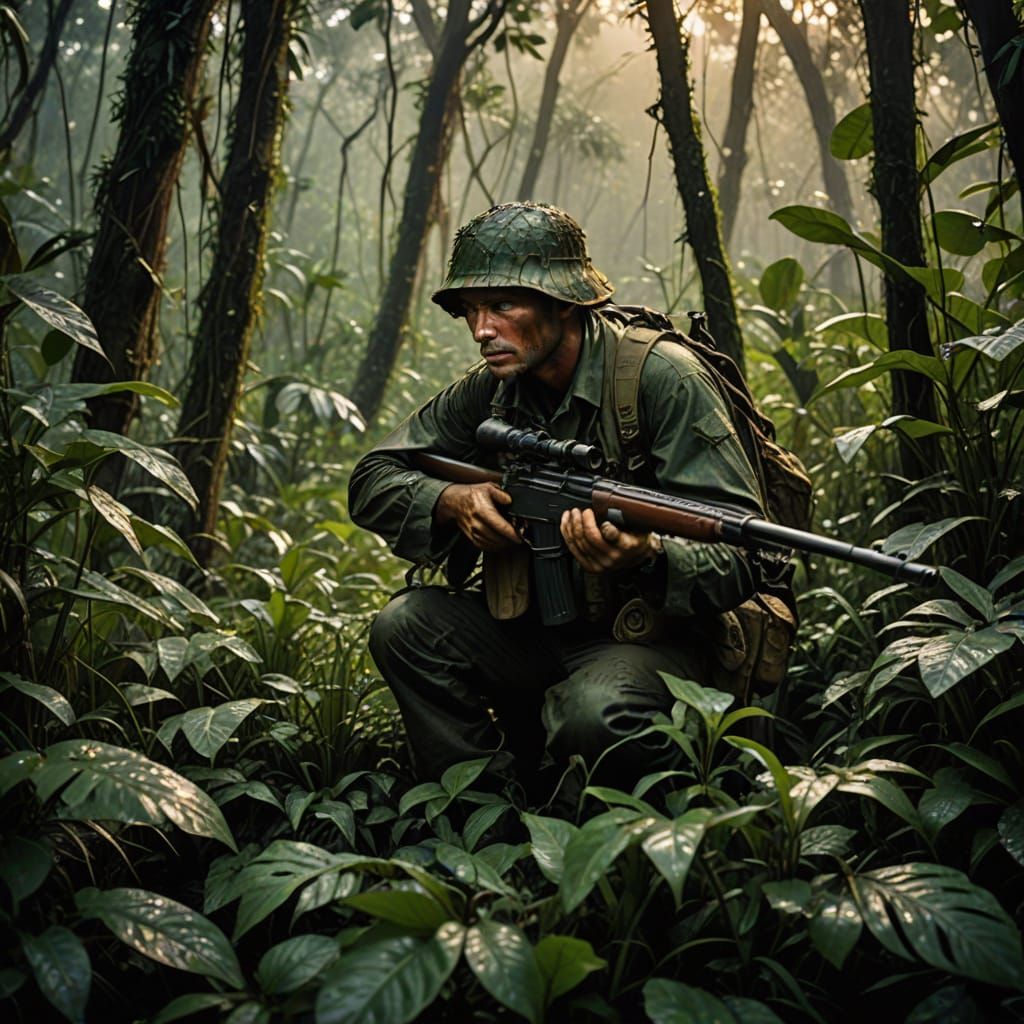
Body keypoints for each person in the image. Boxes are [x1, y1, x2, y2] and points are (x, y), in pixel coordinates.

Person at [348, 202, 765, 799]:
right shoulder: (492, 388)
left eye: (502, 306)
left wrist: (648, 556)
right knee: (405, 627)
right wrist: (453, 501)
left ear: (563, 301)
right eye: (471, 311)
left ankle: (616, 830)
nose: (481, 330)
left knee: (594, 713)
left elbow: (747, 556)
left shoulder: (664, 379)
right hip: (538, 627)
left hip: (652, 638)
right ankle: (483, 815)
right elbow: (372, 476)